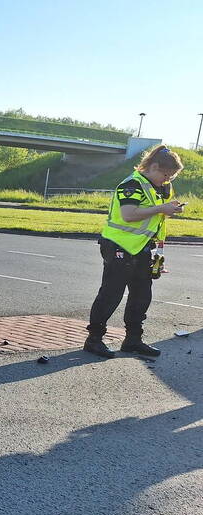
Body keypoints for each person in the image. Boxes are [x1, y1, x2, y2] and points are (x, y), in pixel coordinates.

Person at [84, 145, 185, 359]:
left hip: (141, 247)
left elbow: (153, 216)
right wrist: (161, 209)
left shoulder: (158, 187)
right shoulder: (131, 184)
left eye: (171, 177)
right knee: (111, 294)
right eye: (166, 175)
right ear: (154, 166)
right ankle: (93, 340)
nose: (167, 180)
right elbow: (129, 214)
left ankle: (133, 340)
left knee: (141, 295)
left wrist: (170, 208)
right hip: (119, 245)